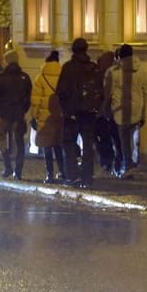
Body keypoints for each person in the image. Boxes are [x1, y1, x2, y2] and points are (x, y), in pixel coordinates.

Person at [56, 38, 103, 189]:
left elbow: (61, 91)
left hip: (72, 113)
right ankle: (87, 177)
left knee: (68, 142)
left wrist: (66, 109)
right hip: (90, 113)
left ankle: (73, 175)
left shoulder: (68, 68)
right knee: (88, 144)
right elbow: (101, 90)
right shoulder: (94, 68)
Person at [104, 44, 147, 179]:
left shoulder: (114, 72)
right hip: (136, 111)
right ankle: (133, 164)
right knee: (133, 138)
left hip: (120, 112)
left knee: (124, 141)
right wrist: (140, 104)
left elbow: (108, 92)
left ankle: (128, 166)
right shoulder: (140, 71)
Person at [0, 49, 32, 180]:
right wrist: (23, 110)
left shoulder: (1, 77)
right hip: (18, 115)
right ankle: (18, 171)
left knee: (1, 139)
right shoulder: (24, 77)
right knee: (19, 143)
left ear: (7, 61)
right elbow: (28, 96)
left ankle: (7, 165)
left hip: (3, 115)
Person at [30, 50, 66, 183]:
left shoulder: (41, 77)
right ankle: (62, 171)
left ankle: (49, 174)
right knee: (58, 144)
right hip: (60, 115)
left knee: (47, 146)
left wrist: (34, 116)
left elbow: (36, 99)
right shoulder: (64, 75)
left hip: (45, 117)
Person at [95, 51, 123, 177]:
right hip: (113, 113)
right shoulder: (116, 73)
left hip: (105, 113)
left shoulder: (103, 74)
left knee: (105, 140)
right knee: (116, 141)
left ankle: (108, 164)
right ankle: (116, 165)